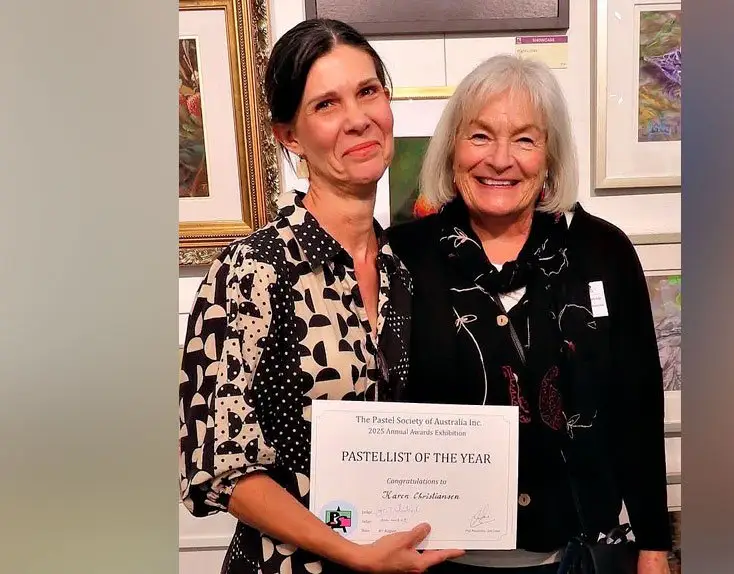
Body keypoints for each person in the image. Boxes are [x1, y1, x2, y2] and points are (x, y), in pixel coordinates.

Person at [178, 19, 463, 574]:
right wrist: (352, 554)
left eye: (367, 91)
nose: (357, 119)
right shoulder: (253, 269)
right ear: (289, 135)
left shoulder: (405, 271)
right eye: (326, 105)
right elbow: (218, 464)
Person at [387, 55, 672, 574]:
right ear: (451, 149)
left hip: (579, 554)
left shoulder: (602, 251)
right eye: (480, 136)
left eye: (524, 139)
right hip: (435, 559)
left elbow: (637, 403)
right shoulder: (403, 256)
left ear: (550, 156)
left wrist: (654, 544)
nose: (500, 160)